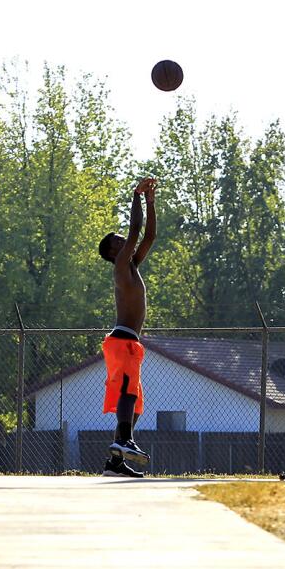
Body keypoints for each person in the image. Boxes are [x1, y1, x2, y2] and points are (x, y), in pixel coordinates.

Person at [96, 178, 157, 477]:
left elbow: (149, 237)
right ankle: (124, 440)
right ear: (112, 254)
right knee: (127, 392)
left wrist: (151, 201)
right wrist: (135, 194)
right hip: (123, 341)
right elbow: (135, 231)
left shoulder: (132, 264)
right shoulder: (121, 265)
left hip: (128, 342)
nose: (124, 242)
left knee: (135, 402)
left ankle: (115, 463)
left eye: (122, 240)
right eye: (117, 242)